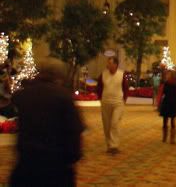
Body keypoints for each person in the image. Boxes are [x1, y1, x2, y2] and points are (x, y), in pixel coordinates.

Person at [11, 58, 84, 186]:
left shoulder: (23, 95)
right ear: (58, 76)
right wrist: (72, 158)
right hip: (56, 168)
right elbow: (73, 132)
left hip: (26, 165)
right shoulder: (64, 97)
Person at [97, 56, 128, 154]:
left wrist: (124, 99)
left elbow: (125, 88)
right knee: (106, 125)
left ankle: (114, 145)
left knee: (114, 123)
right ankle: (109, 145)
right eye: (108, 63)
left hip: (118, 103)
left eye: (110, 63)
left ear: (115, 64)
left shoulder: (121, 74)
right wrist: (100, 99)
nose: (108, 65)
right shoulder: (103, 74)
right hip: (106, 102)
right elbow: (99, 87)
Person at [157, 70, 176, 144]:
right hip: (166, 103)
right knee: (165, 121)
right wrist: (159, 103)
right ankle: (164, 136)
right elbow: (160, 93)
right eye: (166, 75)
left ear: (172, 75)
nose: (167, 76)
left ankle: (172, 138)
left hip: (173, 103)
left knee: (173, 121)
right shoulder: (164, 84)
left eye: (168, 75)